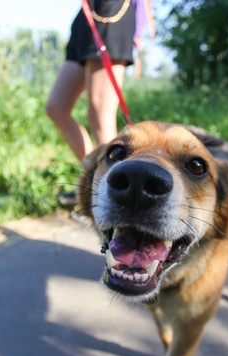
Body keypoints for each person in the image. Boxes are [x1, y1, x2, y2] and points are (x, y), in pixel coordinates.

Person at [46, 0, 153, 205]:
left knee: (100, 116)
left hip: (110, 9)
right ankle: (95, 181)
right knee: (56, 107)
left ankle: (115, 198)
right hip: (87, 12)